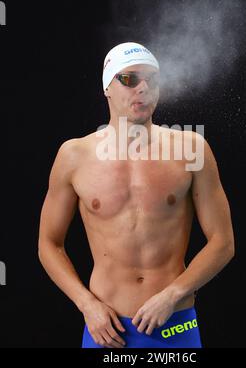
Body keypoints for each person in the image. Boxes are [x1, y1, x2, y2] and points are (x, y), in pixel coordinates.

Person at [38, 42, 235, 348]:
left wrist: (172, 294)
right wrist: (87, 305)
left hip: (174, 326)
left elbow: (223, 243)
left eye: (151, 80)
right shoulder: (74, 155)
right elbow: (48, 243)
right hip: (106, 329)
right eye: (129, 79)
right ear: (107, 87)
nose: (143, 88)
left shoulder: (191, 150)